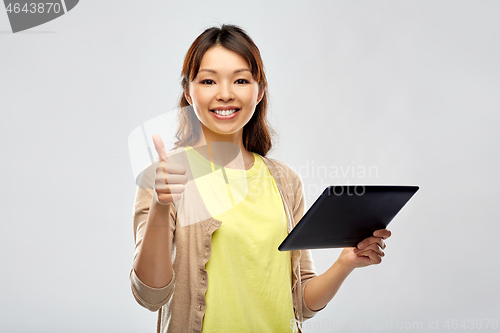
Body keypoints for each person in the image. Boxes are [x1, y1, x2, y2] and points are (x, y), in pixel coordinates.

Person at [130, 24, 391, 333]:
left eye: (241, 80)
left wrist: (346, 261)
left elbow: (301, 303)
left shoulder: (285, 180)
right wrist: (162, 205)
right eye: (209, 80)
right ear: (188, 91)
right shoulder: (166, 176)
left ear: (260, 90)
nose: (225, 94)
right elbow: (150, 295)